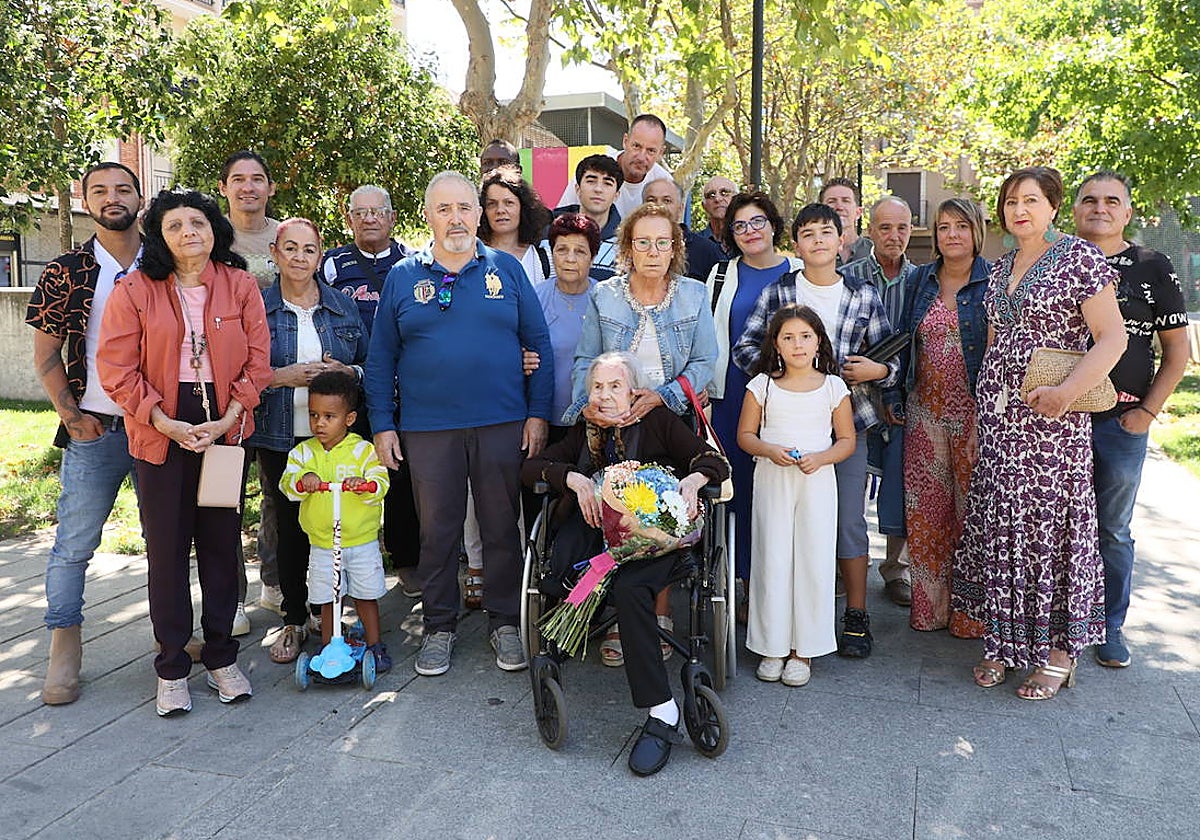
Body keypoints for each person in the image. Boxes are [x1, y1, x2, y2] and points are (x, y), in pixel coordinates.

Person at [364, 171, 554, 677]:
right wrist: (383, 424)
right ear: (427, 216)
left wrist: (537, 413)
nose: (456, 218)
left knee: (500, 527)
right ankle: (439, 626)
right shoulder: (404, 276)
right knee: (438, 531)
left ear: (479, 214)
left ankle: (505, 622)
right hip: (428, 428)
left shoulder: (506, 272)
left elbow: (538, 344)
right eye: (444, 209)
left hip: (501, 422)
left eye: (465, 208)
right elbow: (381, 358)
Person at [952, 166, 1126, 700]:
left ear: (1053, 207)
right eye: (1010, 201)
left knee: (1048, 533)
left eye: (1031, 199)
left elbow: (1112, 338)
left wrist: (1066, 393)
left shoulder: (1079, 258)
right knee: (1004, 526)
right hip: (1002, 420)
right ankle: (1004, 642)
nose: (1018, 209)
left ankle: (1058, 652)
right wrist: (985, 417)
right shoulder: (1002, 266)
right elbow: (998, 344)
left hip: (1052, 422)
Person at [97, 189, 273, 716]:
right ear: (160, 236)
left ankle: (221, 655)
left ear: (214, 228)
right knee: (167, 551)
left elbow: (259, 362)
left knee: (221, 544)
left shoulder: (239, 284)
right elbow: (116, 369)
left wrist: (229, 416)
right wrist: (162, 420)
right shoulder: (135, 290)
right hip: (160, 431)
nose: (188, 233)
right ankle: (171, 664)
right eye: (174, 225)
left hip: (224, 429)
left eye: (197, 222)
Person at [521, 352, 729, 776]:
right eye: (597, 386)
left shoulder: (658, 423)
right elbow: (530, 468)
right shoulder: (586, 429)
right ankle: (569, 640)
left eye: (615, 386)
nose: (605, 394)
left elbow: (715, 462)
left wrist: (691, 480)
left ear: (633, 390)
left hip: (653, 540)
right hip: (597, 541)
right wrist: (573, 479)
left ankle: (662, 711)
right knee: (561, 573)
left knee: (632, 589)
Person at [733, 204, 898, 659]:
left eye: (827, 232)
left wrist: (877, 368)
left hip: (847, 423)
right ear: (796, 244)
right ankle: (781, 623)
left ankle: (855, 615)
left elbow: (893, 360)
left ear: (842, 238)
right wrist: (784, 378)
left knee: (846, 522)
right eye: (808, 234)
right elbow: (745, 346)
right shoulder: (780, 291)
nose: (819, 241)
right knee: (783, 525)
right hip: (786, 424)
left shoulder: (862, 294)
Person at [564, 200, 718, 662]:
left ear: (675, 249)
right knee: (614, 507)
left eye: (662, 243)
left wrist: (664, 396)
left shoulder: (692, 295)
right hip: (613, 423)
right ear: (628, 249)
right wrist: (590, 407)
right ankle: (616, 611)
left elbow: (706, 362)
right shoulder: (604, 296)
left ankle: (661, 611)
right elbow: (583, 360)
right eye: (642, 242)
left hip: (669, 422)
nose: (653, 251)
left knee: (661, 509)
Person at [25, 162, 144, 705]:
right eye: (100, 190)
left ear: (141, 197)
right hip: (95, 429)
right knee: (74, 544)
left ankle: (175, 631)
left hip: (158, 426)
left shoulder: (165, 261)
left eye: (123, 188)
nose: (112, 197)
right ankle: (64, 645)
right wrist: (73, 417)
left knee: (169, 538)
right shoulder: (65, 269)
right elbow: (46, 352)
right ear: (85, 201)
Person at [1072, 171, 1191, 668]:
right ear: (1073, 210)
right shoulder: (1059, 261)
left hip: (1121, 422)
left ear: (1127, 211)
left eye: (1111, 201)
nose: (1100, 208)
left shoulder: (1152, 267)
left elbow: (1177, 350)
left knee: (1112, 529)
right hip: (1059, 421)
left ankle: (1109, 627)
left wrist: (1147, 412)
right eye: (1089, 200)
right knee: (1061, 526)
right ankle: (1063, 623)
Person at [246, 218, 369, 664]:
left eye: (310, 249)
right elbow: (239, 372)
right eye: (291, 248)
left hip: (335, 439)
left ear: (321, 257)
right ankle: (295, 618)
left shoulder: (341, 306)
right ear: (275, 255)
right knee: (293, 531)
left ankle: (329, 614)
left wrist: (346, 373)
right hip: (280, 436)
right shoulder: (257, 307)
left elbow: (368, 364)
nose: (300, 257)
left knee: (335, 525)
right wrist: (281, 377)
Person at [737, 306, 855, 686]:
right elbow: (746, 436)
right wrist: (770, 450)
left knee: (812, 559)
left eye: (805, 336)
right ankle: (771, 645)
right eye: (788, 337)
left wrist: (821, 458)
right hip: (773, 479)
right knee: (772, 557)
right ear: (776, 344)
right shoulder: (762, 386)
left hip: (817, 483)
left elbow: (847, 440)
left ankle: (803, 649)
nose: (797, 344)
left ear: (818, 340)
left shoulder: (834, 387)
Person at [889, 198, 991, 635]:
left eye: (961, 226)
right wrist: (895, 396)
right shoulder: (920, 281)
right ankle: (930, 609)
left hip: (974, 413)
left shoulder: (996, 280)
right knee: (927, 514)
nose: (952, 234)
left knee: (972, 514)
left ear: (977, 231)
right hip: (923, 412)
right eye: (944, 226)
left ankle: (970, 616)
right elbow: (903, 342)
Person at [321, 185, 420, 599]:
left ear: (393, 217)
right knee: (346, 475)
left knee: (400, 478)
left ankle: (407, 561)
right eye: (360, 212)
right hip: (344, 392)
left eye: (377, 211)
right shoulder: (330, 264)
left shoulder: (413, 264)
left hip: (399, 390)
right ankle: (344, 562)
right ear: (348, 219)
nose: (369, 219)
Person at [706, 191, 802, 595]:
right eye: (739, 225)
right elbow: (711, 339)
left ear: (773, 224)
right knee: (738, 494)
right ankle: (740, 587)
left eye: (757, 221)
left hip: (791, 401)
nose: (750, 231)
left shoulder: (800, 269)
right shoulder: (721, 275)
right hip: (733, 400)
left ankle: (781, 591)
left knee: (782, 494)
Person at [282, 371, 391, 671]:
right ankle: (331, 645)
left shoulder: (363, 451)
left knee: (365, 595)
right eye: (314, 415)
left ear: (350, 418)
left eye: (329, 416)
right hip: (322, 543)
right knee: (328, 597)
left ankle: (374, 644)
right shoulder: (303, 453)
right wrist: (304, 481)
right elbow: (287, 484)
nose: (319, 423)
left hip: (361, 540)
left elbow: (381, 480)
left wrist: (366, 485)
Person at [843, 195, 917, 606]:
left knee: (901, 487)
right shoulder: (848, 274)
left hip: (905, 395)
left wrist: (896, 386)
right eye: (885, 227)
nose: (893, 236)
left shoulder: (923, 279)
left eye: (901, 228)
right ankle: (847, 566)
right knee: (850, 490)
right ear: (869, 230)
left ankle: (897, 570)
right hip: (855, 396)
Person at [220, 149, 280, 633]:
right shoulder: (210, 238)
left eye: (257, 179)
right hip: (222, 393)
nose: (248, 187)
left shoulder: (286, 238)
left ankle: (275, 582)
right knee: (224, 496)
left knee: (281, 493)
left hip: (281, 387)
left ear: (270, 188)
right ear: (224, 188)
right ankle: (229, 597)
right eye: (238, 179)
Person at [535, 213, 601, 441]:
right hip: (545, 420)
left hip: (597, 418)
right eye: (562, 249)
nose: (570, 258)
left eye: (580, 251)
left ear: (593, 257)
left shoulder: (606, 299)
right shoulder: (535, 298)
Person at [557, 114, 673, 219]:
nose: (641, 157)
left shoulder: (665, 184)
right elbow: (561, 218)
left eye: (651, 151)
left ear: (660, 153)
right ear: (625, 141)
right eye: (636, 146)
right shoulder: (594, 168)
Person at [550, 154, 623, 281]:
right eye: (591, 181)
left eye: (607, 183)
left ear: (616, 195)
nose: (598, 189)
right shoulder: (549, 230)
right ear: (577, 189)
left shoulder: (626, 240)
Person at [641, 177, 725, 282]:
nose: (659, 206)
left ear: (680, 209)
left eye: (667, 200)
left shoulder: (706, 250)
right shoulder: (632, 246)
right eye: (651, 200)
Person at [480, 166, 553, 285]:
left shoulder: (545, 259)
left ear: (523, 208)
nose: (500, 210)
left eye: (509, 203)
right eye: (492, 204)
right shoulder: (474, 257)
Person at [818, 178, 873, 266]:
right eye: (831, 201)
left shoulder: (875, 253)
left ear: (858, 212)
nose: (839, 207)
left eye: (846, 201)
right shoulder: (813, 252)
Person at [698, 176, 738, 253]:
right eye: (711, 195)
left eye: (724, 193)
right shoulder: (694, 243)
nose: (717, 199)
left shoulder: (747, 238)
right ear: (704, 206)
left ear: (736, 199)